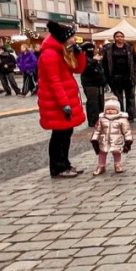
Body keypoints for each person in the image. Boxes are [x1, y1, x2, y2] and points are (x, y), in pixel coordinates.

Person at [37, 21, 87, 178]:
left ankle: (65, 164)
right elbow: (54, 82)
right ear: (63, 38)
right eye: (72, 37)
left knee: (66, 134)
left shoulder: (61, 51)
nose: (74, 39)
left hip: (64, 99)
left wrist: (79, 54)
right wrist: (64, 104)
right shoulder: (50, 55)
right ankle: (57, 168)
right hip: (56, 103)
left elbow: (78, 69)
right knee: (59, 136)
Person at [102, 31, 136, 121]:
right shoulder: (109, 49)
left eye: (121, 36)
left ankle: (130, 116)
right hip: (115, 77)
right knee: (118, 97)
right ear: (114, 38)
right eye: (118, 36)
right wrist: (107, 76)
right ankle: (120, 114)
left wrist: (134, 70)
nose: (120, 38)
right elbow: (104, 63)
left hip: (129, 77)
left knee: (130, 97)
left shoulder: (129, 48)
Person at [90, 95, 133, 175]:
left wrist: (128, 140)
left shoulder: (122, 120)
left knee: (116, 152)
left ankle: (118, 164)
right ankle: (101, 165)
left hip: (116, 139)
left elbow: (127, 131)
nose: (110, 111)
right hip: (103, 140)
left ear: (118, 110)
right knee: (102, 152)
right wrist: (94, 139)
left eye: (112, 109)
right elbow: (97, 130)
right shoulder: (102, 119)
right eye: (108, 109)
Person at [80, 40, 106, 128]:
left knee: (99, 102)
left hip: (98, 83)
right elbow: (86, 69)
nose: (91, 50)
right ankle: (93, 120)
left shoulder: (93, 58)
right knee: (92, 102)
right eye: (89, 48)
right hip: (89, 84)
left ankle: (99, 118)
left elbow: (99, 71)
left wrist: (103, 81)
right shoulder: (83, 58)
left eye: (92, 48)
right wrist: (94, 61)